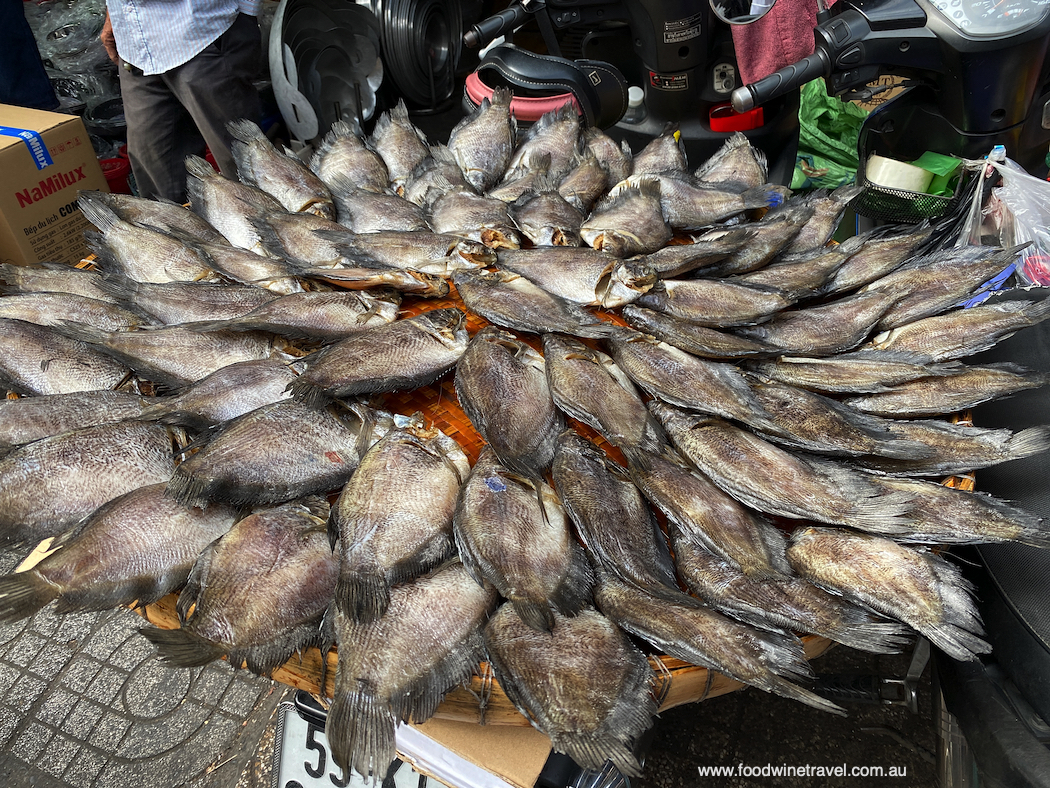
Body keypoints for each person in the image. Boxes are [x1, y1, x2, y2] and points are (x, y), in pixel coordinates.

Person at [100, 0, 263, 202]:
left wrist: (246, 13)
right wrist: (114, 14)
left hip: (202, 33)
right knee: (159, 184)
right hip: (136, 49)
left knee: (244, 168)